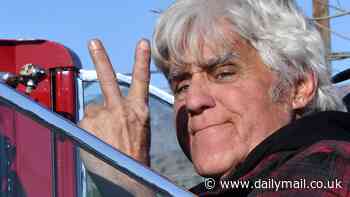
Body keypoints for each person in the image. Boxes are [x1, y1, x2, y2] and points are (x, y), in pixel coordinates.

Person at [79, 0, 350, 196]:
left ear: (298, 86)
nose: (193, 101)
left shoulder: (326, 171)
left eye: (223, 73)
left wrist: (130, 186)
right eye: (181, 85)